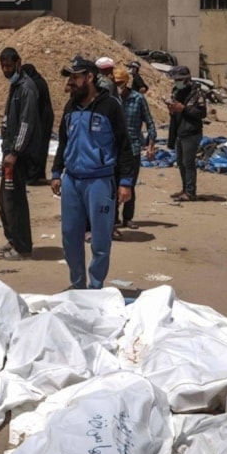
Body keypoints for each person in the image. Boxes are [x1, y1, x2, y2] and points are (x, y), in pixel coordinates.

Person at [51, 57, 136, 290]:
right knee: (70, 237)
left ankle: (95, 286)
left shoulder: (110, 107)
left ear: (89, 77)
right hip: (72, 181)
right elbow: (63, 143)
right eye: (70, 77)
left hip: (100, 182)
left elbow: (124, 145)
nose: (71, 83)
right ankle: (77, 285)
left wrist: (126, 182)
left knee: (99, 240)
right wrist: (57, 171)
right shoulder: (70, 108)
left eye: (75, 77)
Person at [0, 47, 40, 261]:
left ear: (18, 63)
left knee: (16, 201)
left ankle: (23, 247)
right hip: (9, 152)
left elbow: (26, 123)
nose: (6, 70)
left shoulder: (27, 88)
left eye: (9, 66)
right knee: (5, 200)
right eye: (3, 66)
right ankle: (12, 239)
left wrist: (14, 152)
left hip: (18, 157)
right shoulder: (15, 86)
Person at [114, 65, 156, 229]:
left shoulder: (137, 99)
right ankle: (114, 218)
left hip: (132, 147)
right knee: (114, 183)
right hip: (115, 147)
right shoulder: (111, 100)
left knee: (129, 183)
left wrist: (151, 144)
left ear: (126, 82)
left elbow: (149, 122)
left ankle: (128, 217)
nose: (117, 86)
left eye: (119, 83)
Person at [166, 65, 207, 202]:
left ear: (186, 79)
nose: (176, 82)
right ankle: (185, 188)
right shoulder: (177, 91)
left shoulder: (197, 93)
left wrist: (183, 109)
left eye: (178, 79)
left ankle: (190, 192)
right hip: (179, 131)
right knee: (181, 162)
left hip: (191, 132)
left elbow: (201, 113)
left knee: (188, 163)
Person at [21, 63, 53, 184]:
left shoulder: (36, 84)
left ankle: (34, 175)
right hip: (43, 116)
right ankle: (38, 174)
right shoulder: (38, 81)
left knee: (37, 146)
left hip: (42, 118)